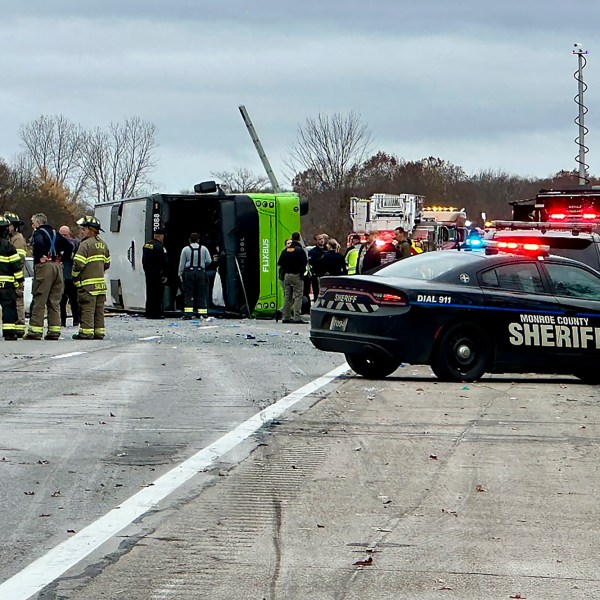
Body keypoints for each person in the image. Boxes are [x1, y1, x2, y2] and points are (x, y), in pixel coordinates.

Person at [24, 213, 73, 340]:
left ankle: (35, 331)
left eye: (33, 222)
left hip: (44, 267)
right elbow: (69, 246)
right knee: (54, 301)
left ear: (38, 223)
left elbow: (39, 243)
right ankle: (54, 331)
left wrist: (40, 255)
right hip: (57, 267)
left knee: (40, 298)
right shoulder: (55, 233)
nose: (32, 225)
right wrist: (62, 259)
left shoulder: (38, 233)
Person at [71, 216, 111, 340]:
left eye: (82, 228)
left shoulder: (85, 245)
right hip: (100, 285)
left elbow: (78, 264)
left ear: (89, 230)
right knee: (99, 310)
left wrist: (74, 276)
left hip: (87, 285)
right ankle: (99, 332)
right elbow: (107, 264)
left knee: (87, 308)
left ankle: (86, 332)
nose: (80, 231)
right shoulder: (103, 244)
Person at [4, 212, 28, 337]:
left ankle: (19, 327)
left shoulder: (18, 239)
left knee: (17, 301)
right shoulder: (11, 239)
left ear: (14, 226)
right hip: (11, 277)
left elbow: (18, 260)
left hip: (15, 277)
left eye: (9, 225)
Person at [0, 215, 23, 341]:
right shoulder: (8, 246)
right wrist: (20, 280)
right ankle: (9, 333)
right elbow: (16, 265)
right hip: (6, 284)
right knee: (9, 308)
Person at [178, 232, 212, 319]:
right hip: (200, 272)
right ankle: (202, 313)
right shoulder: (204, 249)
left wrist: (180, 274)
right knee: (201, 293)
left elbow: (182, 263)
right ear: (198, 240)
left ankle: (188, 314)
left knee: (189, 293)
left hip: (189, 273)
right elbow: (209, 260)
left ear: (189, 240)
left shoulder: (185, 249)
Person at [277, 231, 308, 324]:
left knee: (287, 297)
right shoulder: (299, 250)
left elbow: (279, 263)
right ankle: (297, 317)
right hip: (296, 275)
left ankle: (285, 317)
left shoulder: (285, 250)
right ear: (298, 238)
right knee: (298, 296)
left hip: (286, 275)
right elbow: (304, 262)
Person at [142, 228, 168, 319]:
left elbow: (144, 260)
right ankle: (156, 313)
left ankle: (148, 312)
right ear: (160, 236)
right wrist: (165, 274)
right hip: (157, 274)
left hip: (148, 273)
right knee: (158, 294)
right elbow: (164, 262)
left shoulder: (146, 245)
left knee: (150, 293)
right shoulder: (160, 247)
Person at [58, 225, 80, 327]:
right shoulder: (56, 245)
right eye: (61, 235)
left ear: (69, 234)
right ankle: (62, 321)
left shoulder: (75, 244)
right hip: (61, 278)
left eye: (65, 235)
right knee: (61, 302)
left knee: (74, 301)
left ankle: (76, 320)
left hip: (71, 278)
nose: (63, 237)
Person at [307, 233, 328, 302]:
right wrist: (321, 259)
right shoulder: (313, 252)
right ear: (316, 241)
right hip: (317, 275)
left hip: (327, 275)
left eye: (322, 239)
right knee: (317, 292)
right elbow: (312, 262)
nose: (322, 241)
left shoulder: (328, 250)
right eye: (319, 239)